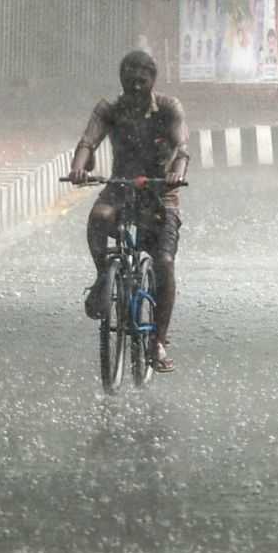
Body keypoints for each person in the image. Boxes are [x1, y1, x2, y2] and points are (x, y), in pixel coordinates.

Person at [67, 50, 190, 373]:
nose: (135, 87)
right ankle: (102, 278)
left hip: (160, 193)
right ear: (121, 80)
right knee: (99, 218)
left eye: (141, 81)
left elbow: (182, 149)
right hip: (120, 187)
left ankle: (157, 342)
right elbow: (87, 142)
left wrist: (176, 173)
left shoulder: (169, 108)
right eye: (129, 80)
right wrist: (78, 168)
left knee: (164, 263)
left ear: (153, 81)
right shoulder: (109, 110)